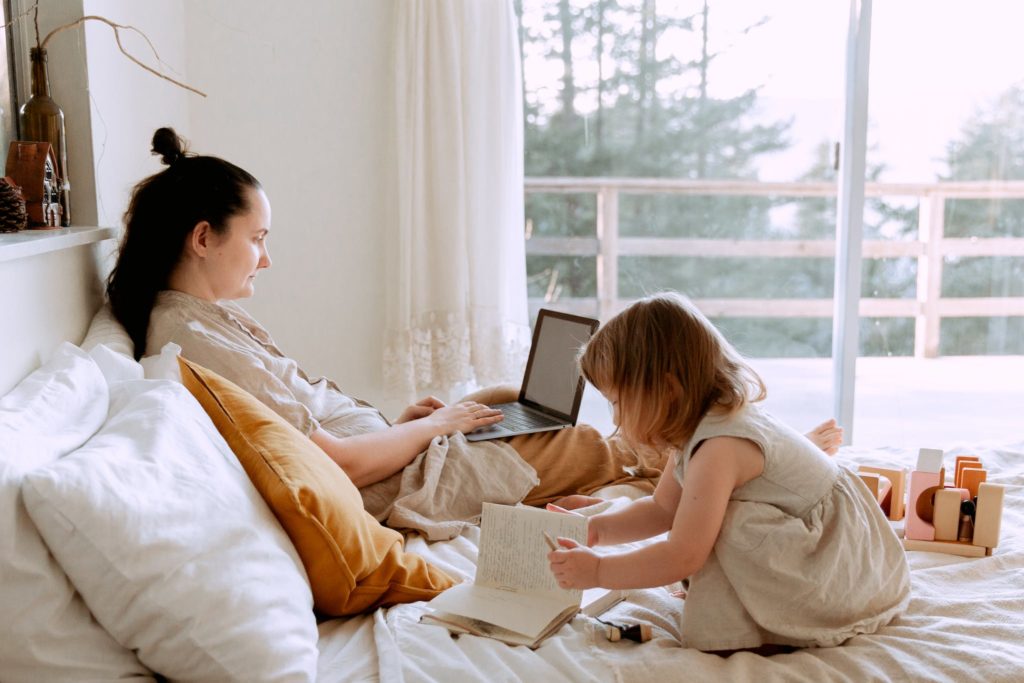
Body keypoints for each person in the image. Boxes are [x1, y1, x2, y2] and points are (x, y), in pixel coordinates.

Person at [105, 128, 842, 533]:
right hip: (403, 486)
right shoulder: (191, 342)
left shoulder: (205, 323)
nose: (268, 255)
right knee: (578, 441)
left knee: (498, 395)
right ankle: (736, 460)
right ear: (204, 237)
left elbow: (318, 426)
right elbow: (341, 465)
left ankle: (723, 452)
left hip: (401, 455)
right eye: (257, 237)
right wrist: (430, 434)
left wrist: (409, 420)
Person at [546, 293, 910, 653]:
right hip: (831, 554)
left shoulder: (719, 446)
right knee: (700, 516)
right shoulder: (695, 430)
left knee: (723, 525)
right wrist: (596, 531)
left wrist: (598, 572)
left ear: (668, 390)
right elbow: (661, 510)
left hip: (838, 574)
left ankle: (754, 633)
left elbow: (683, 555)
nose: (615, 419)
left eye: (617, 402)